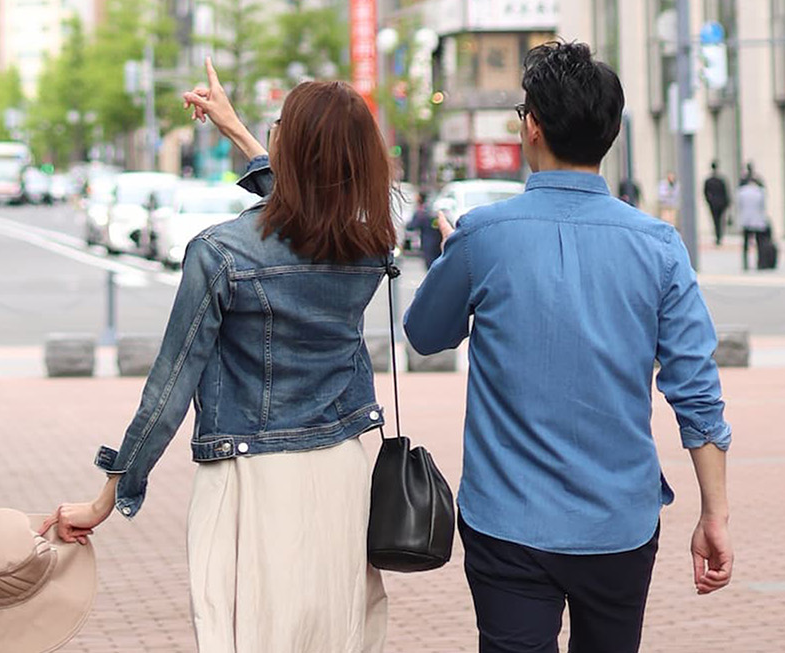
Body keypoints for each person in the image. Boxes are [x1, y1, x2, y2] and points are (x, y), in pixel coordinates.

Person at [46, 61, 394, 652]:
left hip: (250, 478)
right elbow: (302, 212)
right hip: (342, 471)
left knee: (249, 634)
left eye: (280, 124)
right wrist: (238, 133)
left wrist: (112, 492)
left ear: (294, 147)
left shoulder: (219, 253)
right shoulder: (369, 246)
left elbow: (169, 386)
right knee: (333, 636)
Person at [404, 41, 733, 653]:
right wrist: (714, 514)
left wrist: (454, 257)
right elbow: (697, 390)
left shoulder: (484, 235)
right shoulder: (659, 246)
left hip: (507, 518)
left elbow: (424, 336)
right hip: (620, 522)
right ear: (610, 132)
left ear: (531, 126)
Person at [736, 171, 771, 270]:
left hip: (745, 219)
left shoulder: (741, 192)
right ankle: (760, 263)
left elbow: (739, 206)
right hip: (758, 220)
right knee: (759, 243)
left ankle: (745, 263)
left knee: (746, 243)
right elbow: (762, 207)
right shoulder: (760, 192)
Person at [703, 162, 732, 247]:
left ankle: (717, 236)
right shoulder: (721, 180)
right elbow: (726, 192)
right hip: (721, 204)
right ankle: (719, 235)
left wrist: (709, 201)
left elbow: (705, 192)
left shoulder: (709, 181)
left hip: (713, 204)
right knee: (721, 220)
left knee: (715, 220)